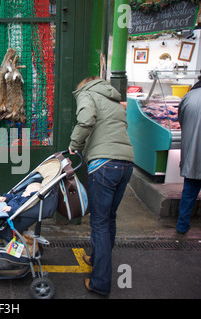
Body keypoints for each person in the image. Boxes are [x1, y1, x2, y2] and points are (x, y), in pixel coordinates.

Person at [68, 76, 134, 296]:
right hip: (126, 163)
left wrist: (74, 144)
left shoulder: (87, 93)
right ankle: (96, 258)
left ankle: (100, 282)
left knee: (99, 223)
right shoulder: (113, 99)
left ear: (83, 85)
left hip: (104, 164)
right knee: (109, 218)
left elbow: (86, 120)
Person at [176, 75, 201, 234]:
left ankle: (182, 226)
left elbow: (181, 119)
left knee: (189, 193)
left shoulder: (189, 96)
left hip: (193, 153)